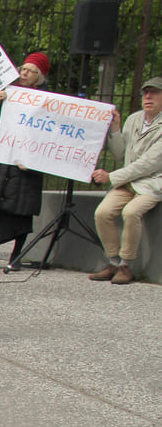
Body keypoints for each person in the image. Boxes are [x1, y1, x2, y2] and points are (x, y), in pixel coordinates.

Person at [0, 53, 50, 269]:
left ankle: (16, 255)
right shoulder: (9, 93)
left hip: (27, 162)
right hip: (4, 157)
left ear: (40, 76)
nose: (24, 73)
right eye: (22, 68)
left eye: (30, 70)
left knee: (21, 208)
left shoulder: (48, 99)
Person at [89, 76, 162, 286]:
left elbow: (150, 164)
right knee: (102, 213)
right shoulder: (134, 119)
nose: (148, 97)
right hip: (128, 182)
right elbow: (121, 155)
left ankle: (126, 266)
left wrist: (111, 177)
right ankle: (112, 261)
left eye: (154, 93)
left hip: (152, 183)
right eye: (145, 93)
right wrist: (116, 129)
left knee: (131, 212)